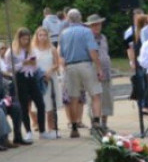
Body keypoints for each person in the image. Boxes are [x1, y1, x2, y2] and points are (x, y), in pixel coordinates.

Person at [58, 9, 104, 139]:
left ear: (68, 19)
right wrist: (99, 68)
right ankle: (96, 124)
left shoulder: (63, 34)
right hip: (85, 64)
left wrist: (64, 68)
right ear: (81, 18)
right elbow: (92, 51)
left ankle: (73, 127)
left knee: (73, 98)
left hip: (70, 66)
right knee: (95, 94)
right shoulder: (87, 31)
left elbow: (61, 55)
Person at [3, 28, 45, 142]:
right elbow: (8, 68)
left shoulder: (31, 49)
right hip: (20, 77)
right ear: (19, 38)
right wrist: (23, 63)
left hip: (31, 76)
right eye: (23, 39)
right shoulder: (11, 51)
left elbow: (35, 66)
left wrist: (33, 63)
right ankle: (28, 131)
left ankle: (42, 130)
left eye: (27, 39)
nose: (26, 41)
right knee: (24, 105)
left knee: (40, 103)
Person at [33, 27, 61, 138]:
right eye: (40, 35)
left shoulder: (52, 49)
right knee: (41, 104)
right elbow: (31, 64)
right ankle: (42, 129)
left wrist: (50, 71)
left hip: (50, 78)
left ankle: (52, 128)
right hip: (39, 79)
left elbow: (57, 64)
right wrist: (40, 74)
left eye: (44, 35)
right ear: (37, 36)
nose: (42, 37)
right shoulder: (33, 49)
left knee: (51, 103)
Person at [85, 15, 113, 131]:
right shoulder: (87, 38)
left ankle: (104, 124)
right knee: (93, 98)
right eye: (94, 25)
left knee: (106, 98)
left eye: (98, 24)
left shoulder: (103, 38)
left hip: (106, 71)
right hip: (92, 71)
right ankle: (94, 125)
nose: (97, 27)